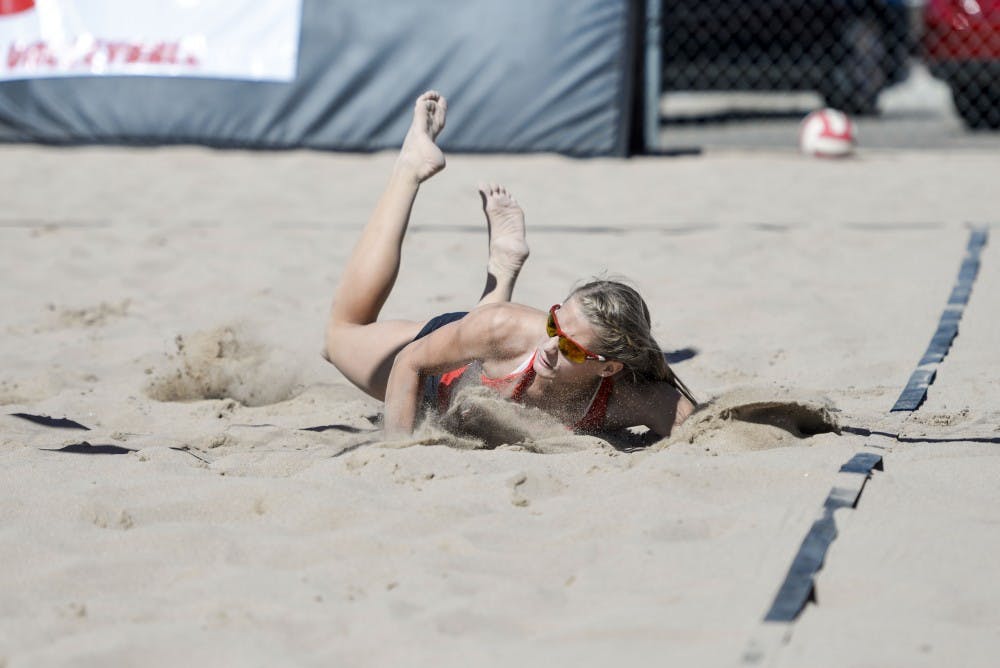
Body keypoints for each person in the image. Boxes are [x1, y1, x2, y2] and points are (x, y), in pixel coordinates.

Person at [323, 91, 696, 439]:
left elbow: (703, 432)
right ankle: (409, 168)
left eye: (572, 349)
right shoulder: (506, 329)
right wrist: (398, 450)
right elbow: (409, 363)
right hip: (442, 375)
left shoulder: (631, 400)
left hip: (485, 353)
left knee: (486, 346)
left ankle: (502, 268)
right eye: (553, 324)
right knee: (339, 336)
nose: (550, 346)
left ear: (609, 368)